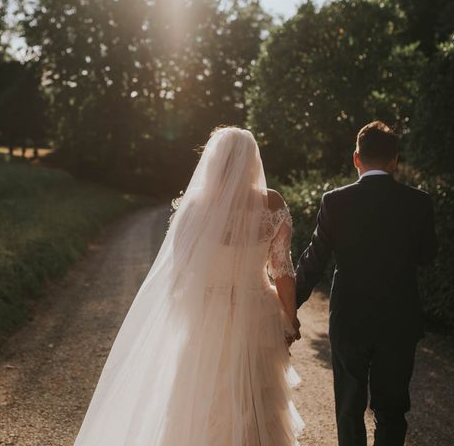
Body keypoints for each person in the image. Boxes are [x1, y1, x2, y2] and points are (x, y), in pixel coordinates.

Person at [73, 125, 303, 445]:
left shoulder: (195, 208)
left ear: (212, 161)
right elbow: (283, 271)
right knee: (256, 400)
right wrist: (290, 319)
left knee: (202, 396)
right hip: (257, 315)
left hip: (207, 313)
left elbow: (180, 270)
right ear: (252, 161)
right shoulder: (272, 204)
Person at [295, 121, 438, 446]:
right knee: (391, 409)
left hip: (349, 319)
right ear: (395, 160)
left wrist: (288, 304)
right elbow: (427, 255)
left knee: (349, 408)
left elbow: (314, 259)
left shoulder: (335, 201)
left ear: (356, 158)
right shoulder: (419, 202)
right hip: (400, 321)